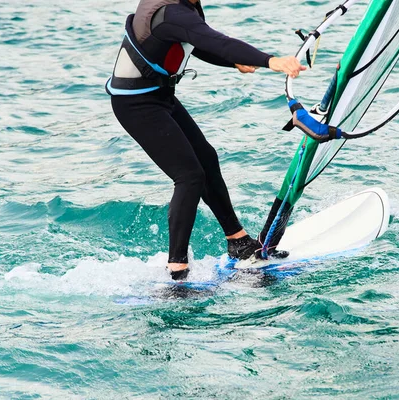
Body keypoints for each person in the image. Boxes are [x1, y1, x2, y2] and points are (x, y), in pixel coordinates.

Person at [107, 0, 305, 280]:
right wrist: (270, 60)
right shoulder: (170, 12)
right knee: (189, 176)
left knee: (206, 159)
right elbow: (217, 40)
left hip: (157, 96)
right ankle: (177, 269)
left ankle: (237, 240)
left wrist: (233, 60)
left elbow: (197, 43)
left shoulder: (183, 8)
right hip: (136, 104)